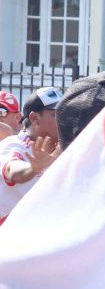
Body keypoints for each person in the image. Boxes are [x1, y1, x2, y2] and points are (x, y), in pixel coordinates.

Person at [0, 87, 64, 227]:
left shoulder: (63, 147)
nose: (63, 119)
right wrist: (33, 169)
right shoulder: (13, 145)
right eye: (55, 114)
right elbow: (12, 171)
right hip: (9, 239)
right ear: (34, 118)